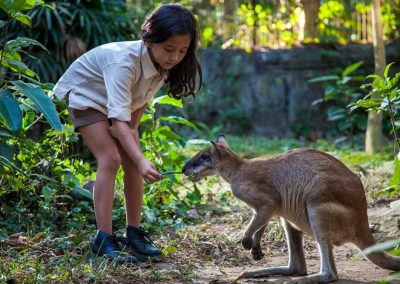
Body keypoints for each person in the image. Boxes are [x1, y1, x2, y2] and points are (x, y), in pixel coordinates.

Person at [53, 3, 202, 264]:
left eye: (182, 50)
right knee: (110, 159)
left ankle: (134, 234)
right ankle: (103, 239)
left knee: (133, 163)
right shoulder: (123, 63)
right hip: (86, 97)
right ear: (148, 40)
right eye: (169, 49)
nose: (175, 57)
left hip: (116, 107)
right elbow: (119, 124)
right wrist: (140, 156)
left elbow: (133, 113)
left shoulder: (160, 66)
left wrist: (139, 157)